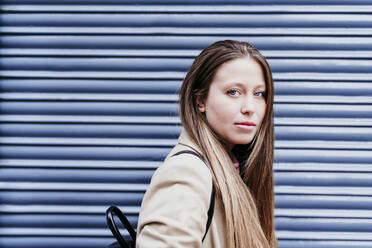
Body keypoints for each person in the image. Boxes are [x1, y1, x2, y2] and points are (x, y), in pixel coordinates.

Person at [136, 40, 277, 248]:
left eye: (258, 94)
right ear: (200, 100)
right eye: (233, 92)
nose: (250, 107)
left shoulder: (233, 167)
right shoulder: (187, 173)